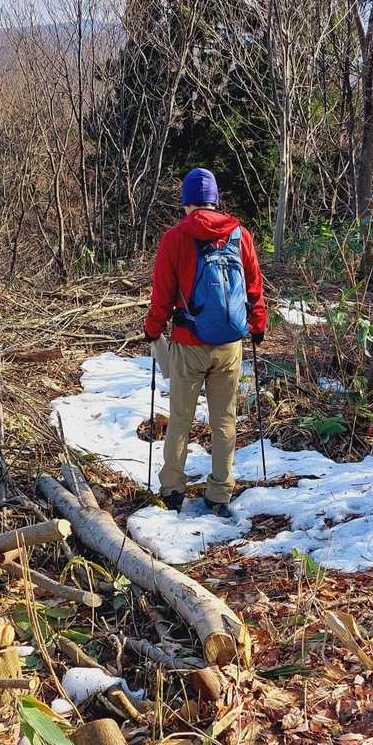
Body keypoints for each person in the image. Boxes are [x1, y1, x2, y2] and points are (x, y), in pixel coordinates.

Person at [143, 167, 267, 515]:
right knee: (224, 420)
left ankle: (172, 490)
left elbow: (162, 296)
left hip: (188, 342)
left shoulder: (175, 238)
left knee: (180, 419)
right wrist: (258, 325)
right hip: (229, 343)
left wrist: (152, 330)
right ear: (215, 200)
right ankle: (219, 493)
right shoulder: (239, 234)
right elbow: (254, 286)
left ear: (186, 201)